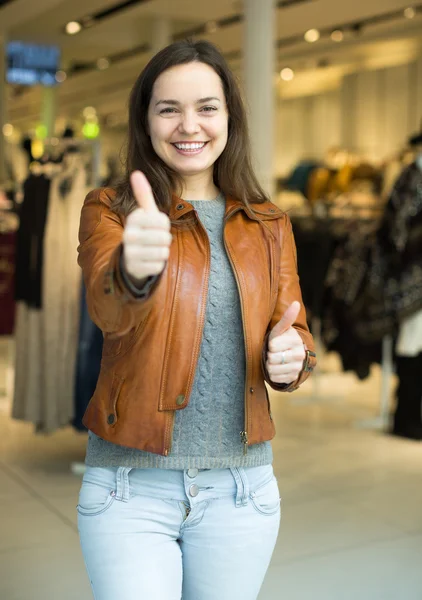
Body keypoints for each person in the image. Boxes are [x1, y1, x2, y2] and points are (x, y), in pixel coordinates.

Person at [76, 39, 316, 600]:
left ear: (229, 115)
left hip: (242, 489)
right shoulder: (111, 209)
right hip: (129, 491)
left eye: (207, 107)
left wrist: (293, 359)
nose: (190, 125)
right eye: (169, 109)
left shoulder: (269, 222)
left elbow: (296, 331)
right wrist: (134, 269)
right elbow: (106, 306)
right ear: (146, 120)